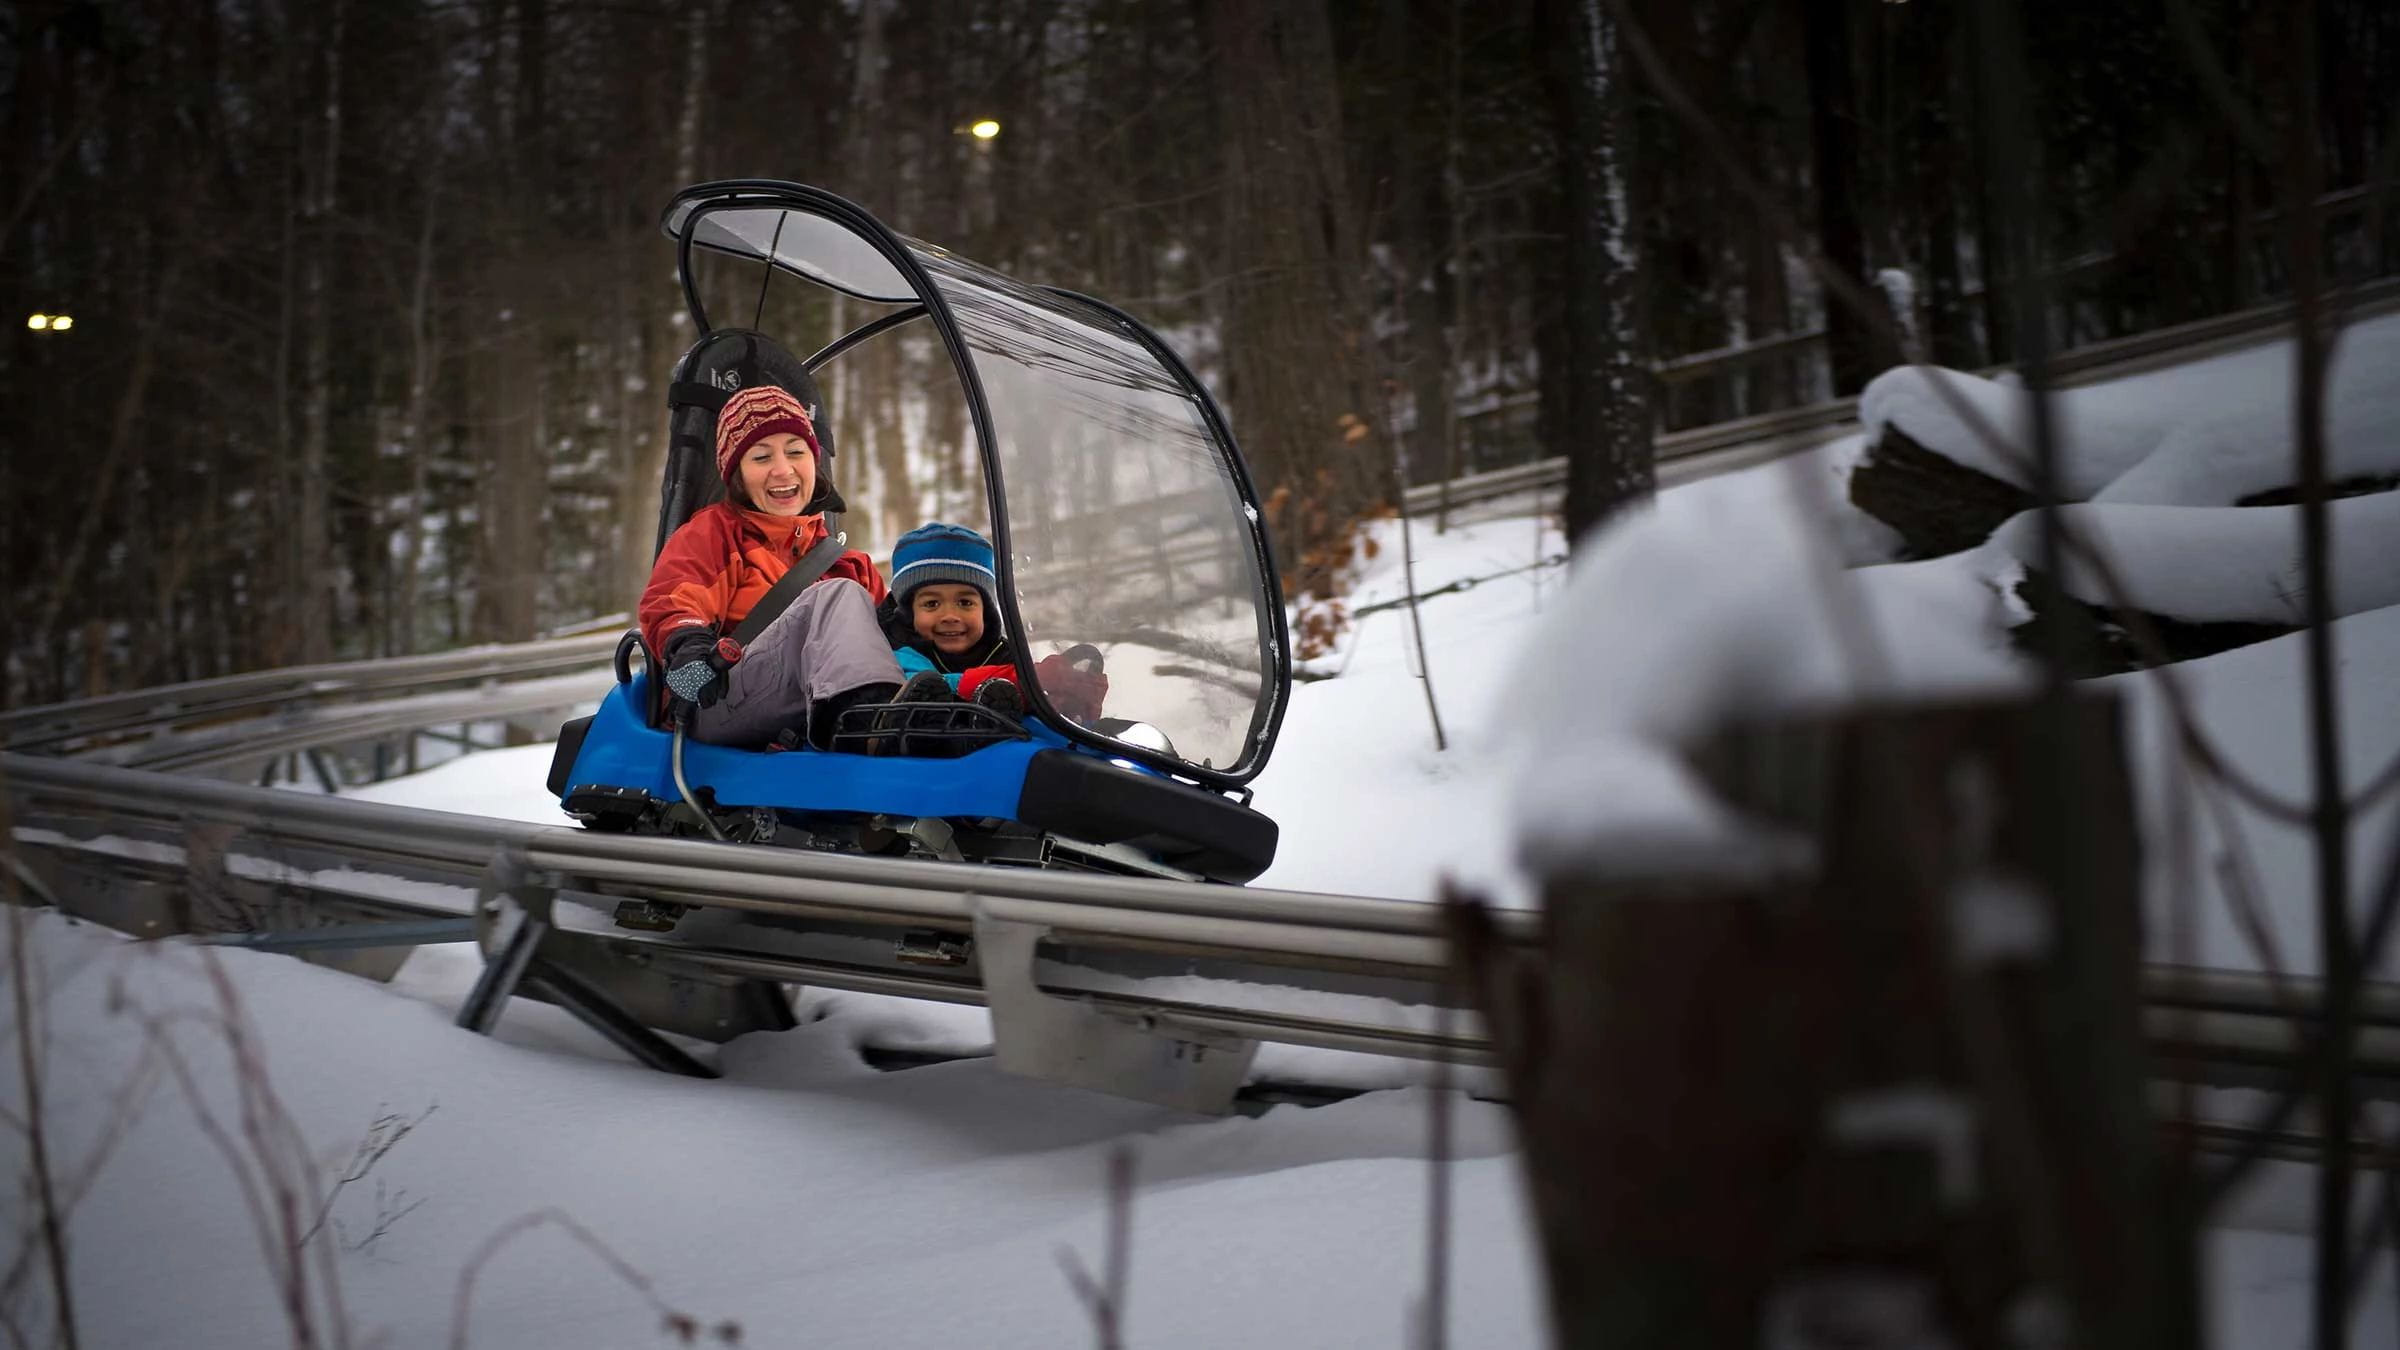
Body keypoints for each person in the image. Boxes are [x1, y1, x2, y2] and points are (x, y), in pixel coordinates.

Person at [638, 383, 914, 751]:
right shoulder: (713, 534)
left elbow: (889, 648)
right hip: (717, 699)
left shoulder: (848, 563)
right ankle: (867, 728)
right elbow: (674, 602)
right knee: (838, 596)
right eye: (762, 457)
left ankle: (934, 715)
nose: (783, 471)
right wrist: (688, 646)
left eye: (796, 452)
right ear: (737, 473)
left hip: (808, 704)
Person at [878, 523, 1110, 726]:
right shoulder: (897, 653)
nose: (950, 615)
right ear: (909, 613)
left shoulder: (1004, 654)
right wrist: (1022, 681)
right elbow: (928, 685)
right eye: (931, 604)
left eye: (965, 602)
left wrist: (1070, 697)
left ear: (986, 612)